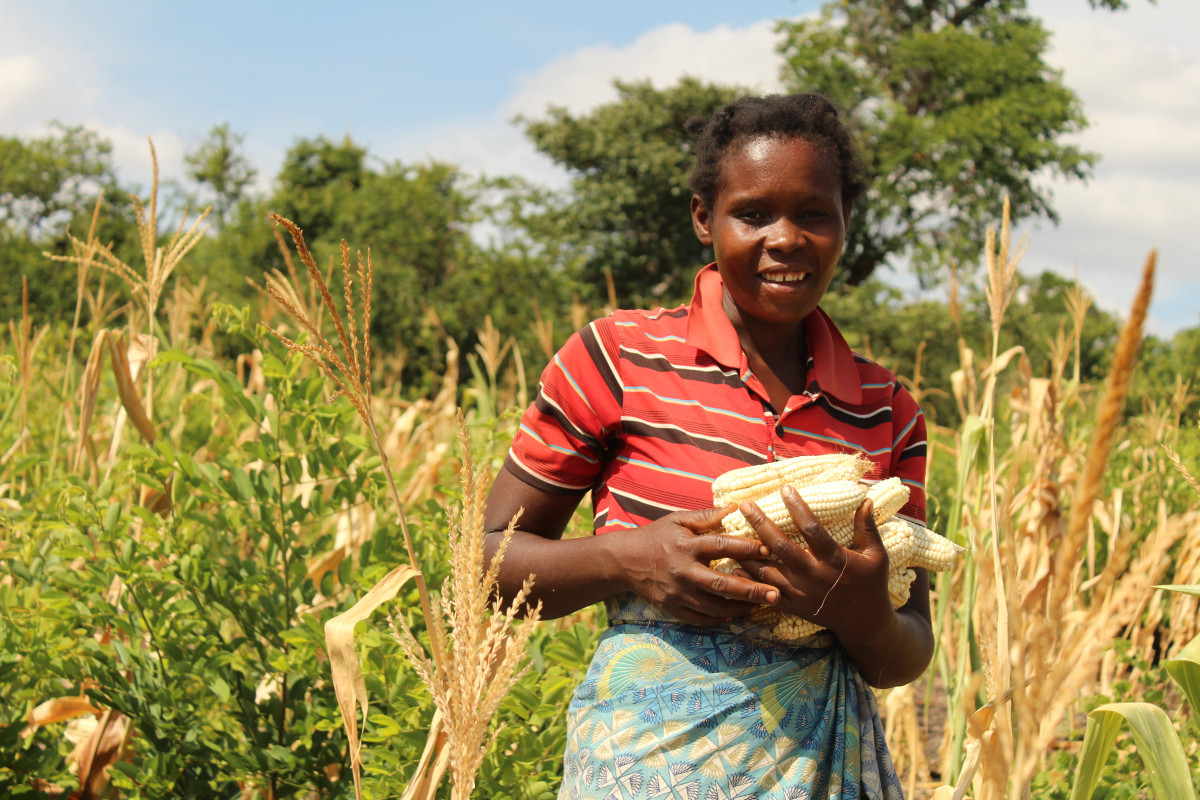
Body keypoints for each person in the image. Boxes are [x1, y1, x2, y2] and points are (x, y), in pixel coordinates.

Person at [483, 93, 933, 799]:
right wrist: (626, 560)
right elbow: (485, 566)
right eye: (753, 213)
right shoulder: (617, 358)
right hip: (647, 763)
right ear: (704, 218)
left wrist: (860, 613)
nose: (785, 238)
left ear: (846, 222)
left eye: (814, 213)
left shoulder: (887, 411)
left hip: (823, 768)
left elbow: (909, 648)